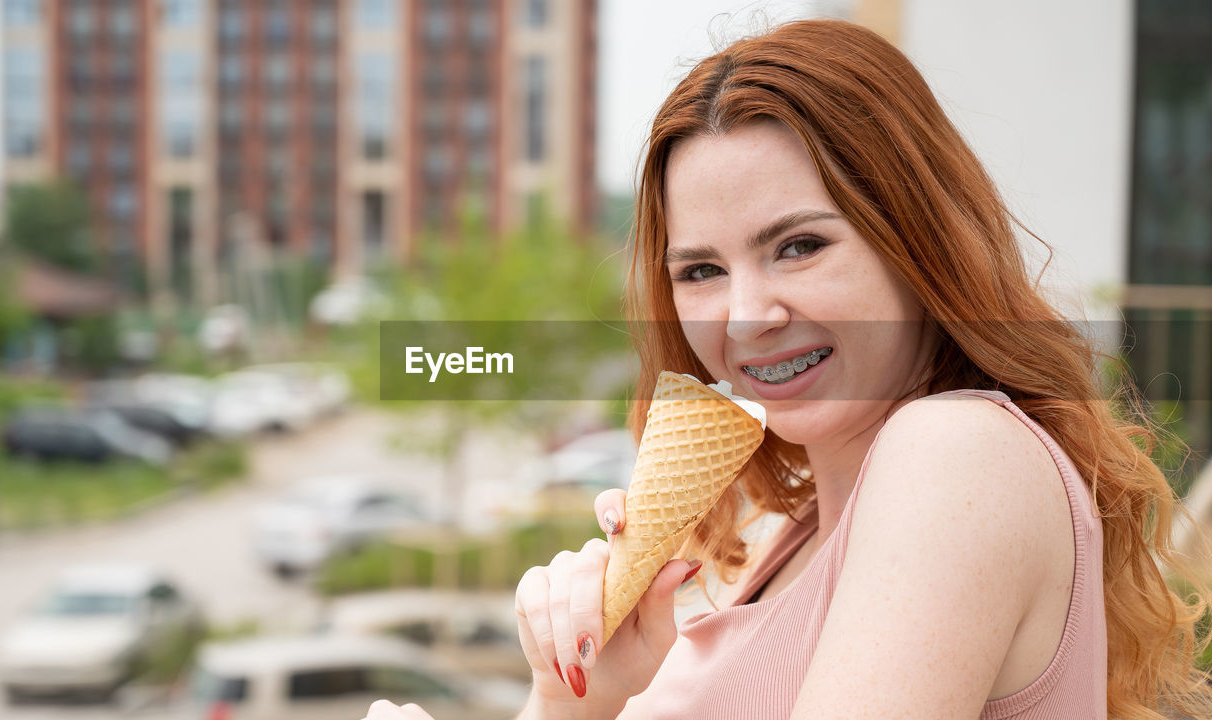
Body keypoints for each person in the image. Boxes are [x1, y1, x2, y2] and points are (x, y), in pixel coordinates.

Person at [364, 18, 1212, 720]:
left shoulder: (957, 454)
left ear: (917, 241)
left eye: (799, 247)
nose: (746, 315)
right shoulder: (782, 532)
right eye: (700, 270)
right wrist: (573, 695)